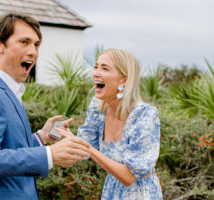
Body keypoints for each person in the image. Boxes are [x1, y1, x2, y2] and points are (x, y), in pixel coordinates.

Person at [0, 13, 90, 200]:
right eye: (24, 42)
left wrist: (41, 137)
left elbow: (8, 148)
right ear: (0, 45)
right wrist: (49, 155)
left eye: (36, 45)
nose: (33, 52)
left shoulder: (9, 90)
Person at [58, 49, 163, 199]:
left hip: (139, 194)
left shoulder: (144, 115)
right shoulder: (98, 107)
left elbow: (128, 177)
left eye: (105, 68)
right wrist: (58, 136)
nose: (96, 73)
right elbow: (79, 152)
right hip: (111, 192)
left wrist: (88, 149)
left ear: (124, 80)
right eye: (96, 67)